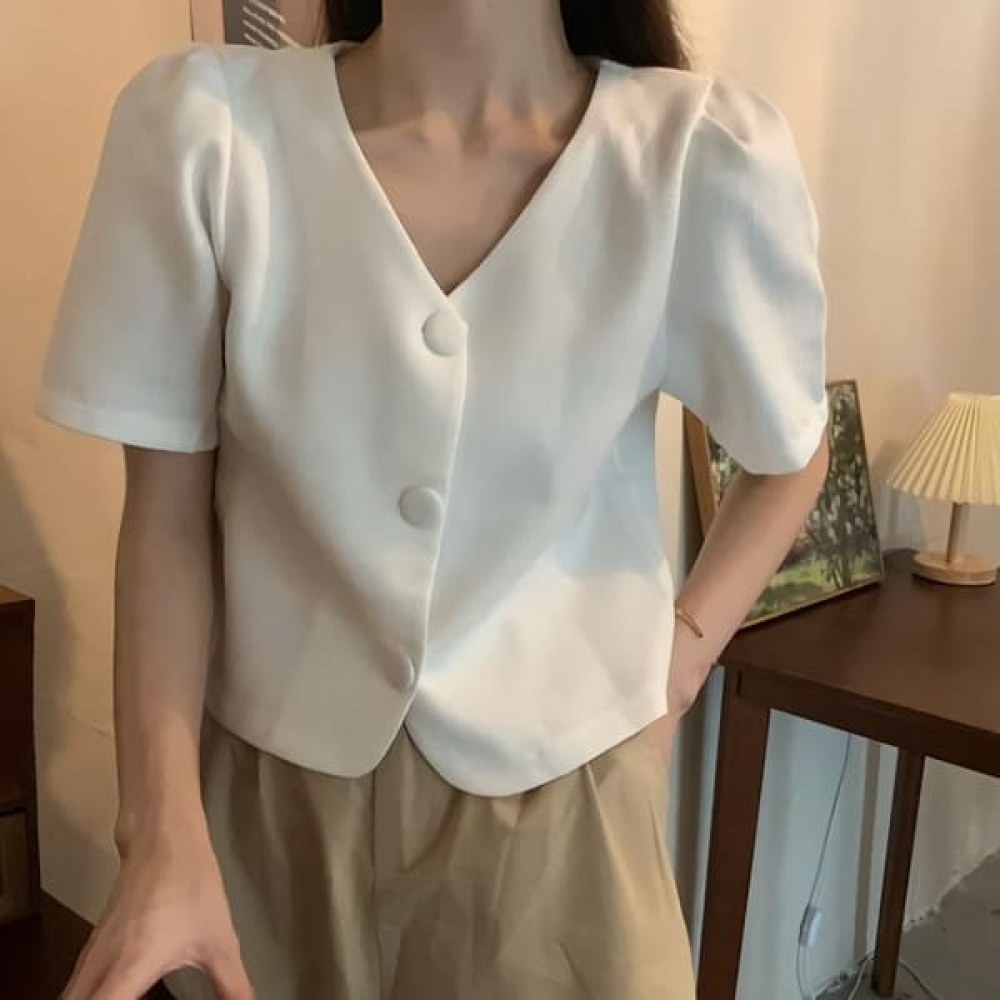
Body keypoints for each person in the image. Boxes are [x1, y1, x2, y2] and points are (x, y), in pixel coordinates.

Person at [37, 2, 830, 998]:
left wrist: (675, 665)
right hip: (262, 814)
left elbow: (791, 454)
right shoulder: (207, 129)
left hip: (564, 820)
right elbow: (165, 517)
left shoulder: (694, 159)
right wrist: (159, 830)